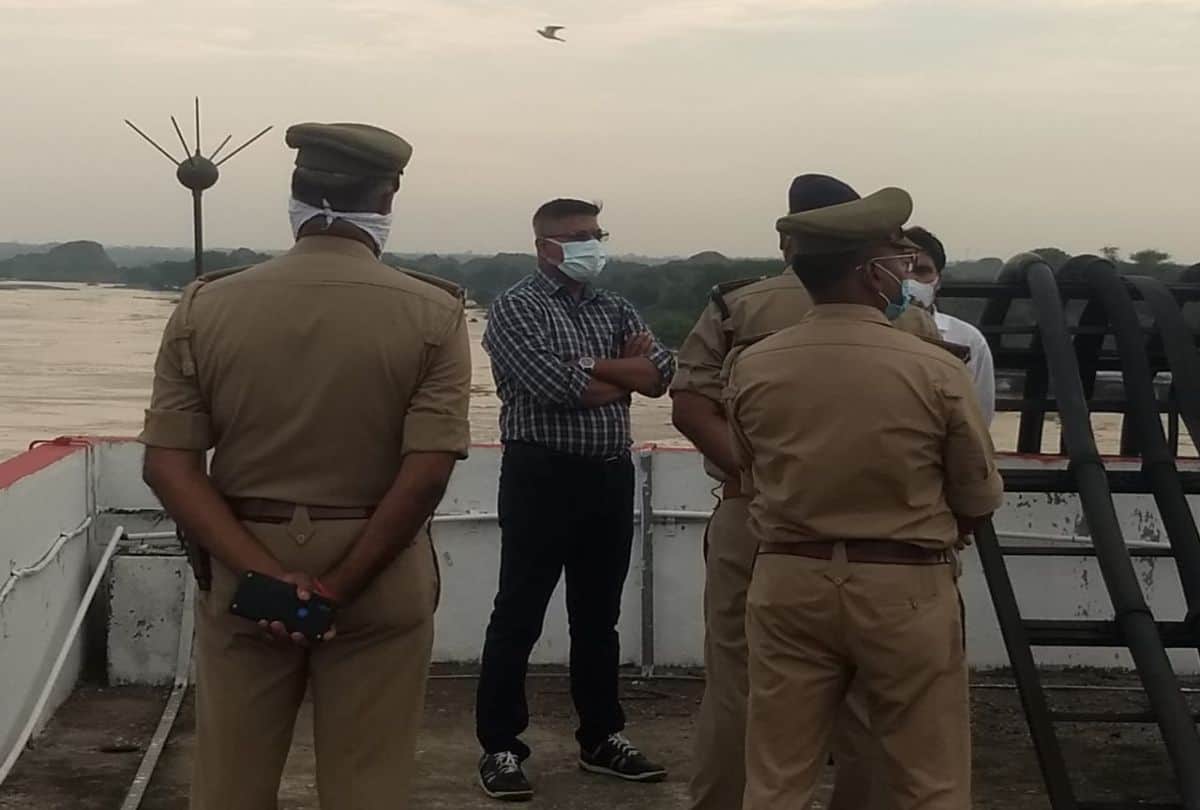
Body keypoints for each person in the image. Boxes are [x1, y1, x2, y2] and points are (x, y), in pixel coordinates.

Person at [139, 122, 472, 810]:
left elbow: (169, 465)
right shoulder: (434, 312)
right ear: (388, 195)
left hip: (242, 562)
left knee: (229, 780)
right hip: (373, 568)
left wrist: (263, 578)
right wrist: (337, 587)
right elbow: (428, 471)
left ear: (295, 194)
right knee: (368, 784)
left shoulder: (207, 304)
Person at [726, 186, 1003, 810]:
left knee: (776, 775)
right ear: (871, 272)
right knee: (926, 776)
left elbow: (749, 470)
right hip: (903, 583)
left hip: (788, 576)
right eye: (898, 262)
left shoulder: (755, 365)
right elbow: (978, 493)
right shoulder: (934, 367)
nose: (906, 274)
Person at [475, 198, 675, 801]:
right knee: (519, 615)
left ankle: (602, 737)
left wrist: (601, 368)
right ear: (545, 248)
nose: (591, 245)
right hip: (541, 476)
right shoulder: (516, 308)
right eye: (577, 237)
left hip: (609, 477)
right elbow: (557, 387)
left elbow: (662, 373)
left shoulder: (616, 305)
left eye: (596, 233)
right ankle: (501, 747)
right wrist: (623, 369)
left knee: (599, 618)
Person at [904, 225, 996, 425]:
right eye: (903, 269)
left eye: (922, 271)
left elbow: (980, 417)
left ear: (938, 281)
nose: (910, 281)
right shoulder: (863, 331)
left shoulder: (968, 339)